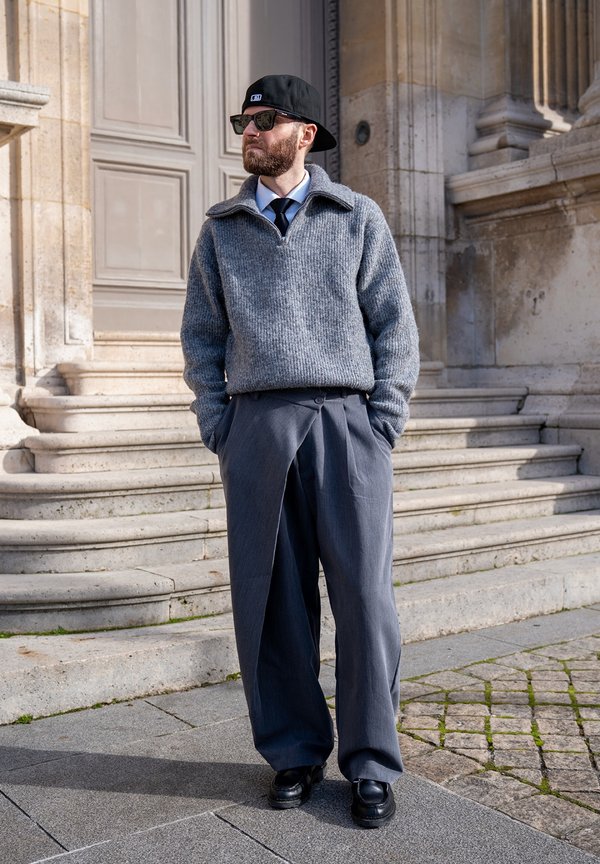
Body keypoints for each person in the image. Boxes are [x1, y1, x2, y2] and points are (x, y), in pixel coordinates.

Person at [181, 74, 419, 828]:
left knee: (366, 603)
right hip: (255, 429)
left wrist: (382, 419)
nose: (250, 131)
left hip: (346, 425)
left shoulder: (356, 217)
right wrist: (219, 421)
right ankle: (292, 751)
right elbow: (202, 336)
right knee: (271, 603)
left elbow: (395, 327)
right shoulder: (222, 229)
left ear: (305, 133)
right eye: (244, 121)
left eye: (266, 120)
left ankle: (372, 764)